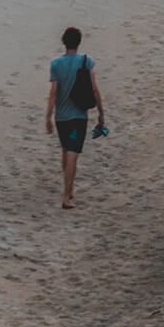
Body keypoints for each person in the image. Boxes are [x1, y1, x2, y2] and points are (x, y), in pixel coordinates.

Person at [44, 26, 105, 209]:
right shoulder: (87, 62)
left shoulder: (56, 64)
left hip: (61, 118)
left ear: (64, 42)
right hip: (78, 117)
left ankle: (68, 190)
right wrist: (101, 113)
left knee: (66, 150)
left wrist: (48, 117)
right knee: (72, 153)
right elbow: (94, 89)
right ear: (79, 42)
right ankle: (66, 195)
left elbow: (53, 93)